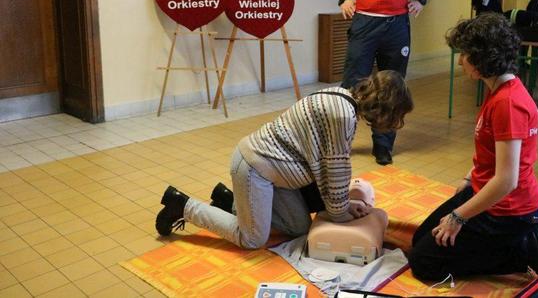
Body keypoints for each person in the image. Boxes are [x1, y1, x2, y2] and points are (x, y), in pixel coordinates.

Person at [155, 70, 414, 249]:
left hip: (273, 174)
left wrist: (344, 206)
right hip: (254, 167)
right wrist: (344, 213)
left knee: (299, 227)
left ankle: (229, 200)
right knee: (252, 239)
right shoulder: (342, 115)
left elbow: (331, 171)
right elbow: (336, 173)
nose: (395, 124)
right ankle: (184, 206)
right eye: (397, 116)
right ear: (386, 107)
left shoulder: (342, 97)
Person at [408, 13, 538, 280]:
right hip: (486, 190)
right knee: (420, 240)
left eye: (464, 54)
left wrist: (459, 216)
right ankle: (502, 246)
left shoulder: (508, 104)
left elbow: (507, 181)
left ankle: (515, 253)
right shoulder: (498, 90)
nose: (460, 60)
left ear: (482, 58)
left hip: (508, 210)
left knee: (423, 264)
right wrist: (469, 178)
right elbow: (492, 155)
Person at [331, 0, 437, 165]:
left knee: (393, 86)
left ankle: (383, 145)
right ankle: (341, 143)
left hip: (397, 24)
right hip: (365, 21)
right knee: (353, 85)